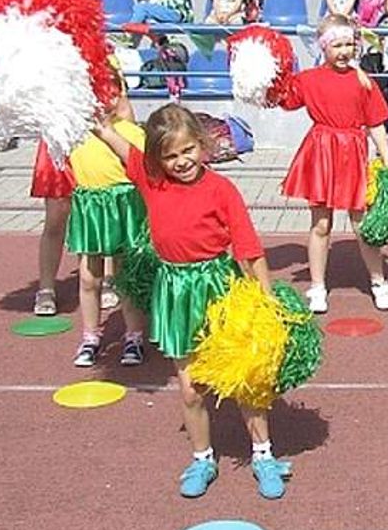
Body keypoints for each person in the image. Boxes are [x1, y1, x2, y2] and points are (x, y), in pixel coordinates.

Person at [92, 103, 290, 500]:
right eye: (169, 155)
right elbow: (118, 144)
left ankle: (264, 454)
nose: (181, 162)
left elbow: (249, 248)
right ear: (156, 158)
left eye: (187, 151)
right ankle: (203, 458)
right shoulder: (151, 180)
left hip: (219, 290)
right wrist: (101, 124)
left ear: (202, 146)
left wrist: (267, 300)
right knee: (190, 388)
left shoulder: (222, 189)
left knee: (243, 379)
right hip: (175, 292)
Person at [277, 14, 388, 315]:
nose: (343, 51)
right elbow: (284, 99)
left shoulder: (363, 80)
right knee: (321, 223)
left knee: (362, 223)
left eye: (348, 44)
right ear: (323, 47)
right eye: (336, 45)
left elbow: (376, 124)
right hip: (321, 152)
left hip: (354, 153)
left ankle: (378, 281)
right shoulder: (309, 78)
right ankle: (318, 287)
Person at [65, 91, 149, 367]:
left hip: (122, 205)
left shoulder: (130, 132)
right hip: (90, 206)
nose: (100, 101)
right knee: (89, 277)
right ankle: (90, 336)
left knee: (125, 276)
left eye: (109, 93)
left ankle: (134, 335)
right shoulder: (73, 130)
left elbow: (142, 167)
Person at [30, 142, 74, 317]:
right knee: (55, 218)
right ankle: (46, 288)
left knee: (100, 215)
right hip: (58, 145)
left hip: (94, 140)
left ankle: (105, 280)